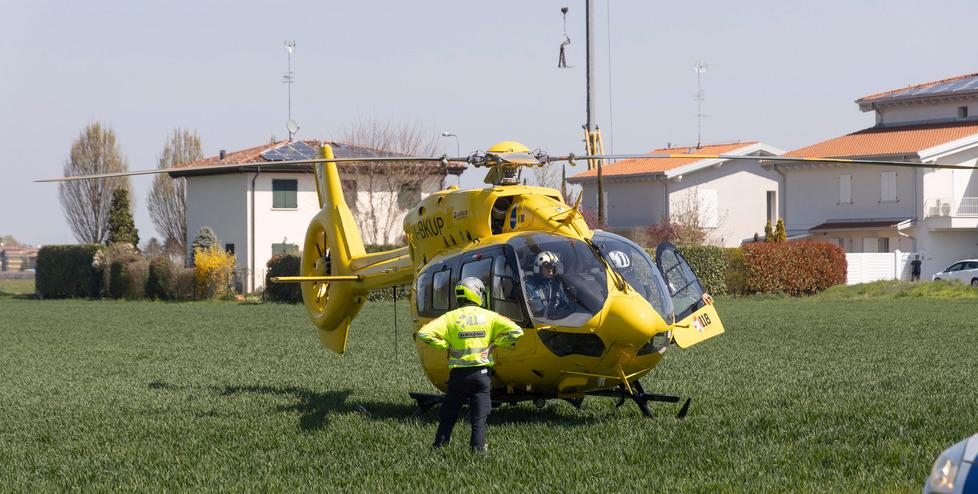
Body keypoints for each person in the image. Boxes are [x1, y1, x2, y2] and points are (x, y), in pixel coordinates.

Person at [416, 277, 523, 452]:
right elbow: (516, 332)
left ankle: (439, 447)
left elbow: (424, 334)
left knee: (448, 414)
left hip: (458, 376)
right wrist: (495, 344)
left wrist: (446, 346)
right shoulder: (490, 316)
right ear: (476, 293)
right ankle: (478, 449)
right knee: (479, 418)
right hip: (481, 376)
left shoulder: (449, 317)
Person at [524, 251, 573, 319]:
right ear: (538, 268)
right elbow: (536, 311)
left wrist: (560, 314)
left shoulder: (555, 284)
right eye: (547, 266)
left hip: (557, 323)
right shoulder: (529, 285)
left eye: (553, 267)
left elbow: (567, 305)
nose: (551, 270)